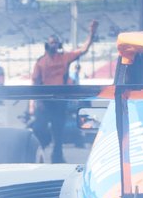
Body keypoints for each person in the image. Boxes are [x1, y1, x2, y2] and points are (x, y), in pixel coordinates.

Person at [29, 20, 99, 163]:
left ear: (59, 45)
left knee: (58, 130)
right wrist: (37, 102)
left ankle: (57, 157)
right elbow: (35, 82)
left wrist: (92, 33)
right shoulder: (41, 62)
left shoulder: (65, 58)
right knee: (39, 128)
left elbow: (83, 50)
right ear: (47, 45)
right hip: (45, 100)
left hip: (60, 100)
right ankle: (40, 152)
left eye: (56, 43)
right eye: (51, 43)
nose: (54, 45)